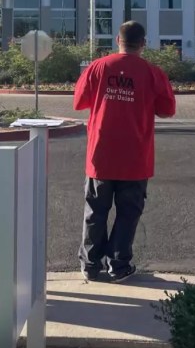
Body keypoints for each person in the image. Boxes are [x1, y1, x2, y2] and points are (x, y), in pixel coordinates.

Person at [73, 21, 176, 283]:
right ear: (143, 43)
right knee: (128, 213)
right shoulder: (153, 73)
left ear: (118, 40)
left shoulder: (98, 67)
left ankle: (90, 264)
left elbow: (79, 102)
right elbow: (167, 110)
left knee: (95, 210)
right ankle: (118, 265)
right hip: (135, 156)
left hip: (101, 154)